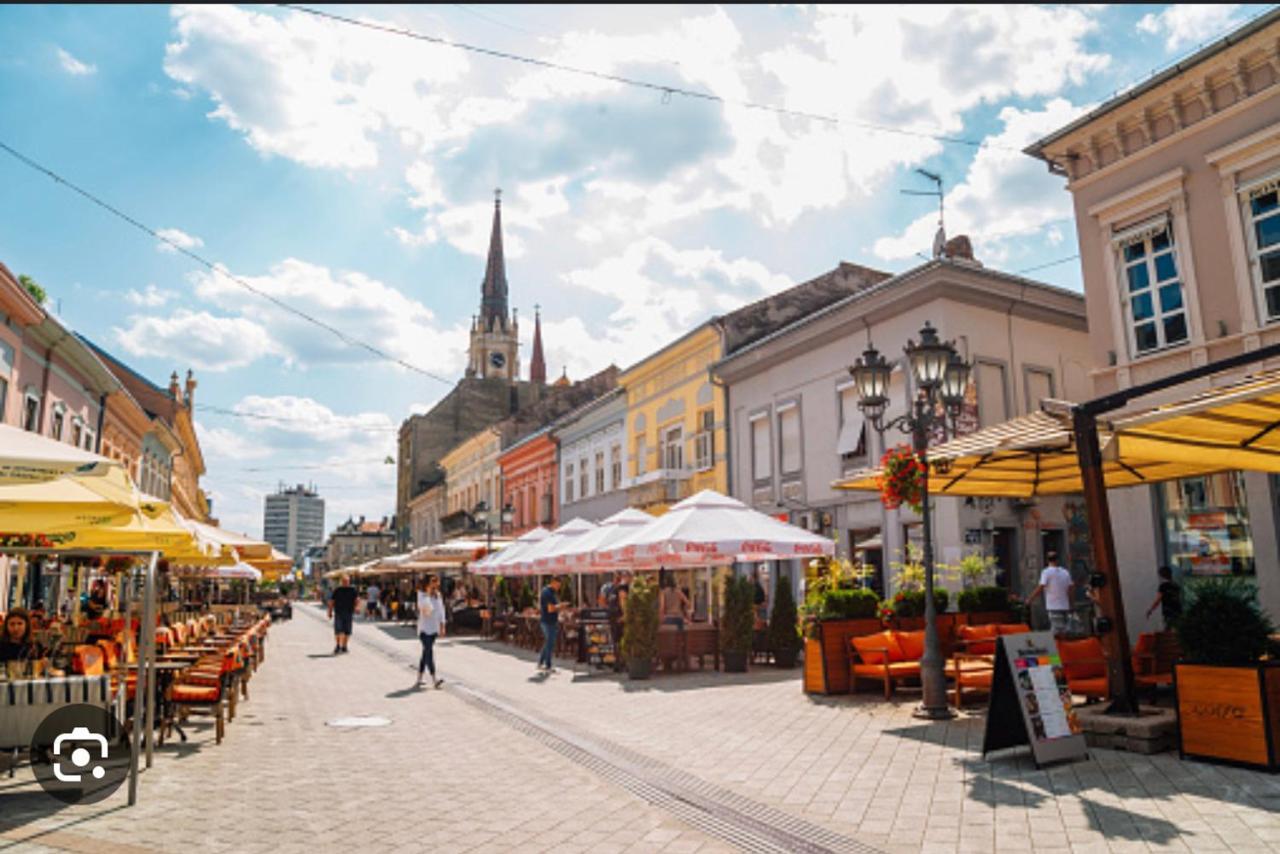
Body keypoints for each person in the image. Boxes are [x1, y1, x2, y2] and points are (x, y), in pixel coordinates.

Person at [1028, 552, 1077, 635]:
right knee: (1064, 630)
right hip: (1065, 606)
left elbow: (1041, 587)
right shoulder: (1065, 572)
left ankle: (1058, 646)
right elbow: (1071, 589)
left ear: (1047, 560)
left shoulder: (1046, 572)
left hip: (1053, 606)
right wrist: (1071, 603)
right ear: (1058, 559)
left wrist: (1030, 598)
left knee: (1056, 631)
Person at [416, 575, 446, 689]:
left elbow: (441, 611)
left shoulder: (438, 595)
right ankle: (434, 679)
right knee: (429, 652)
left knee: (425, 654)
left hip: (434, 628)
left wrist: (443, 625)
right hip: (424, 629)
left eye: (437, 582)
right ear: (428, 583)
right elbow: (425, 609)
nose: (436, 584)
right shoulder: (421, 594)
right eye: (434, 581)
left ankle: (419, 678)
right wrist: (428, 594)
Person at [537, 576, 564, 673]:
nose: (558, 587)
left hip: (551, 621)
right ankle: (547, 665)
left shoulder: (551, 592)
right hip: (547, 621)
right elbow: (550, 609)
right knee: (550, 643)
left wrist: (559, 606)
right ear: (553, 582)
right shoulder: (547, 593)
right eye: (558, 585)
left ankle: (541, 663)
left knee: (548, 642)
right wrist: (560, 606)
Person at [328, 575, 358, 654]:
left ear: (349, 581)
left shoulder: (353, 590)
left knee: (347, 631)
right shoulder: (337, 590)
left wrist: (357, 607)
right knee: (338, 631)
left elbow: (356, 600)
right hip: (338, 613)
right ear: (341, 582)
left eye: (347, 581)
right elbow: (332, 601)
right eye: (344, 581)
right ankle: (338, 645)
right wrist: (330, 611)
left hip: (349, 613)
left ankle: (344, 646)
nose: (345, 583)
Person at [605, 571, 629, 671]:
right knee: (622, 641)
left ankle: (617, 663)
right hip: (619, 619)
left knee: (616, 642)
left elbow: (608, 603)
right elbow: (623, 602)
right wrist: (626, 615)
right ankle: (622, 663)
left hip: (612, 618)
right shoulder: (622, 589)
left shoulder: (611, 590)